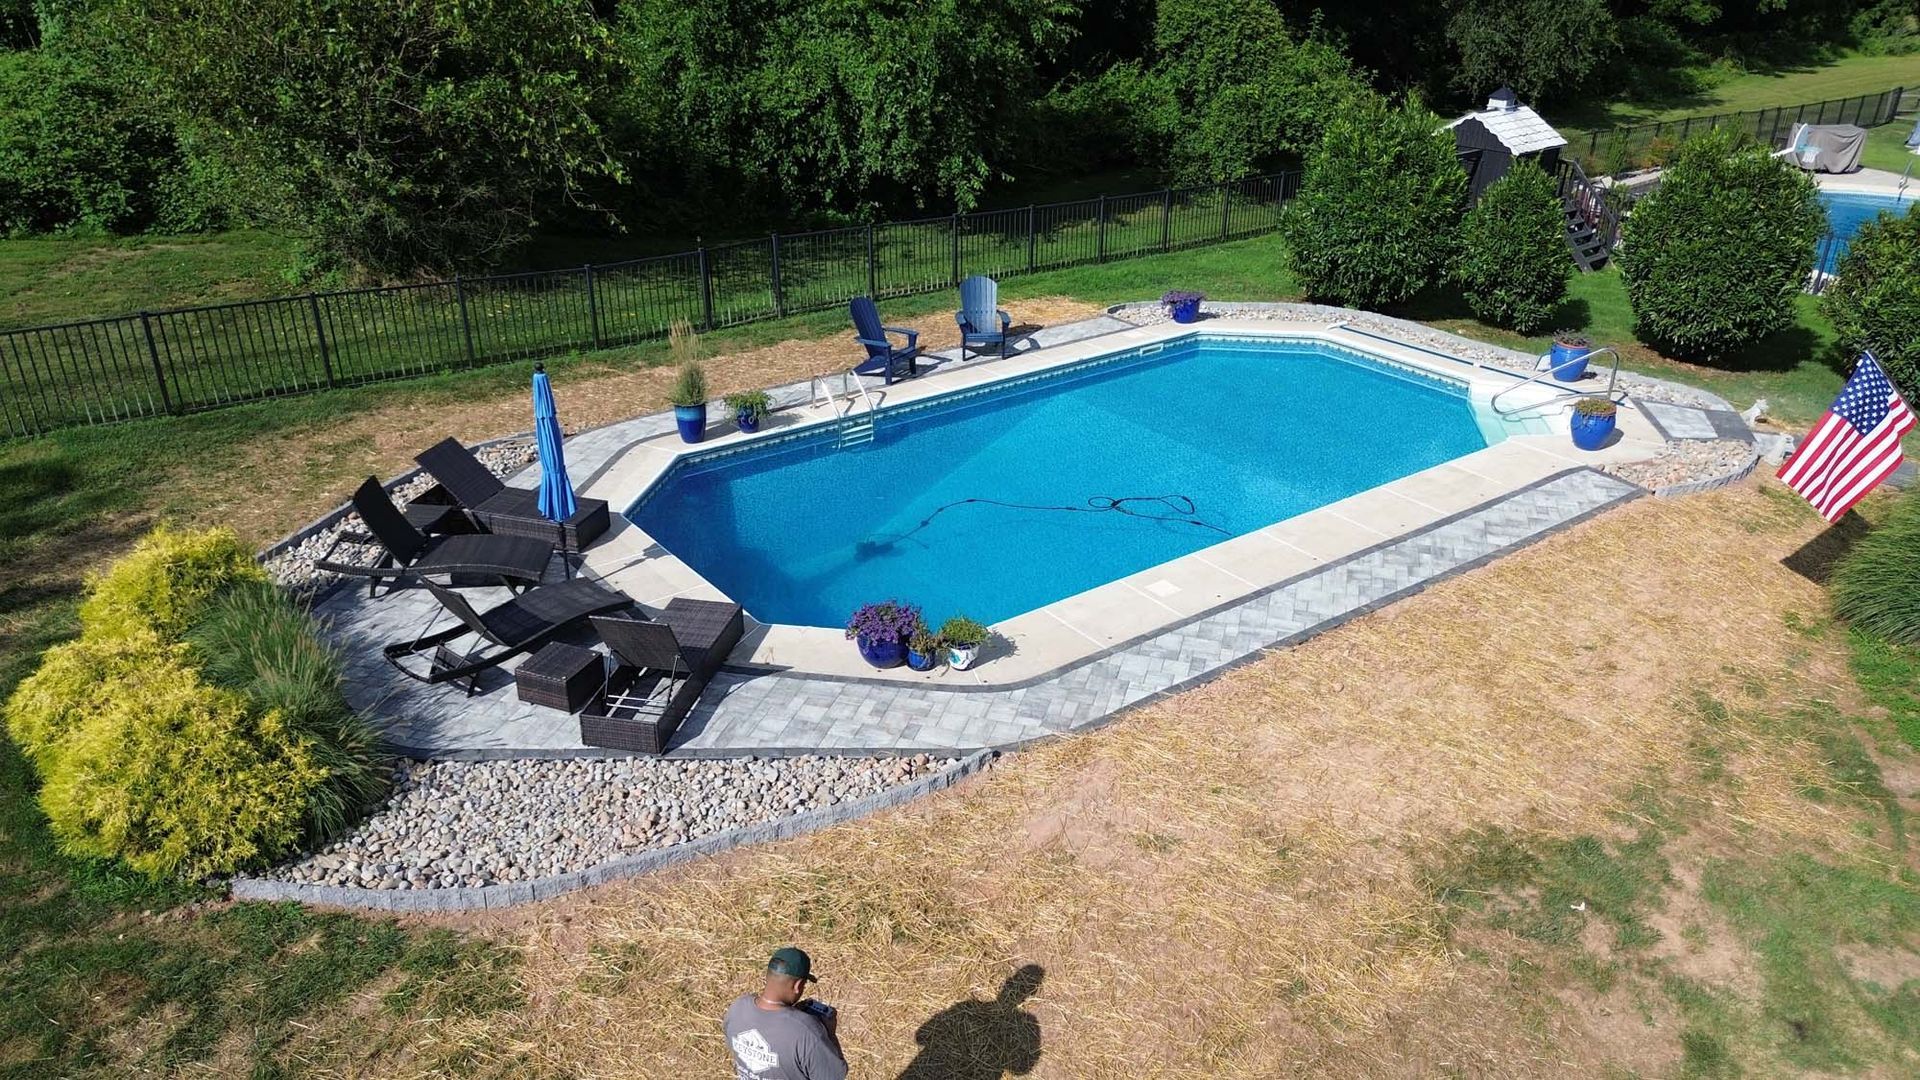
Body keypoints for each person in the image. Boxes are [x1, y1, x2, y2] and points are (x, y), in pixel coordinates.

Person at [723, 947, 849, 1080]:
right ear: (798, 985)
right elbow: (833, 1076)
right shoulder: (807, 1032)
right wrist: (829, 1034)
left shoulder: (737, 1008)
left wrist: (792, 1014)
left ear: (768, 975)